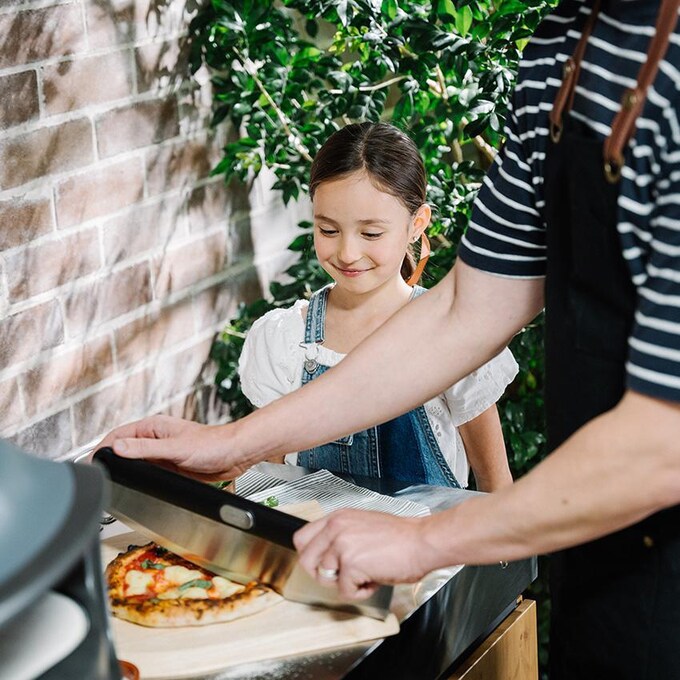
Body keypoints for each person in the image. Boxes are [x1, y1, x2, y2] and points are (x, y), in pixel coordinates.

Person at [99, 0, 680, 677]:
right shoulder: (564, 45)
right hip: (601, 568)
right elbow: (466, 307)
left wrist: (428, 539)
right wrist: (229, 444)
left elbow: (662, 442)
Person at [238, 122, 517, 491]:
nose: (348, 253)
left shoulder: (451, 336)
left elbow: (495, 483)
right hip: (309, 546)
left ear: (417, 224)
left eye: (371, 233)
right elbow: (263, 478)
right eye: (328, 230)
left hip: (424, 546)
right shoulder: (285, 341)